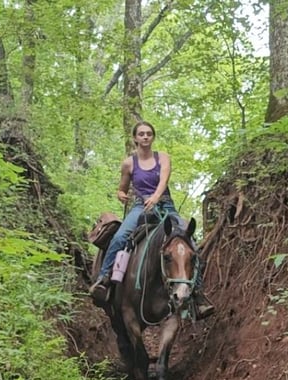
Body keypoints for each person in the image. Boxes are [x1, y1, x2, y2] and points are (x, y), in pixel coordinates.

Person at [89, 121, 215, 319]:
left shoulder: (163, 158)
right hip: (140, 206)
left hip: (166, 205)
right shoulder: (129, 163)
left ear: (153, 137)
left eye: (149, 134)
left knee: (191, 243)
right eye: (141, 134)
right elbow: (122, 187)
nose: (145, 137)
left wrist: (156, 197)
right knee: (121, 237)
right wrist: (121, 194)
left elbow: (164, 179)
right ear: (135, 138)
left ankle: (197, 294)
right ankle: (104, 279)